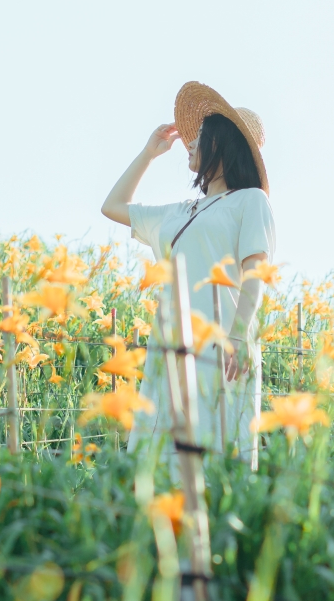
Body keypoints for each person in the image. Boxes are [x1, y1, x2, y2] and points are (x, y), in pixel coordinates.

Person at [100, 82, 275, 467]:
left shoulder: (250, 201)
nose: (190, 143)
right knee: (160, 466)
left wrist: (239, 333)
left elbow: (255, 269)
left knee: (216, 458)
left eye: (201, 135)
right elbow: (113, 206)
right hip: (169, 350)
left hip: (221, 350)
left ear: (223, 143)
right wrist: (148, 154)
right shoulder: (180, 211)